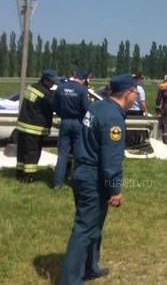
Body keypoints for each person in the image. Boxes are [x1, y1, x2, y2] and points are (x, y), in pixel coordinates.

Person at [59, 73, 139, 284]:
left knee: (94, 225)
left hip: (82, 171)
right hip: (94, 178)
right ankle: (70, 280)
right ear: (128, 93)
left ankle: (90, 267)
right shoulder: (113, 118)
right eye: (136, 92)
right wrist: (114, 190)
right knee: (85, 228)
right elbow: (110, 160)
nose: (137, 97)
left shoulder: (97, 108)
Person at [15, 69, 58, 183]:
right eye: (52, 82)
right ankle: (29, 176)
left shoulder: (32, 87)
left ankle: (20, 172)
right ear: (46, 80)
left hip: (23, 124)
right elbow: (54, 106)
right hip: (34, 127)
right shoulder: (45, 94)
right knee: (32, 152)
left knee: (22, 151)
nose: (53, 84)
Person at [52, 70, 90, 189]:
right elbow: (86, 108)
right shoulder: (82, 89)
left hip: (65, 121)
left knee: (62, 153)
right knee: (78, 154)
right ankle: (76, 182)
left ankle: (58, 183)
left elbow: (55, 106)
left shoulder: (61, 87)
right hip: (78, 122)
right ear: (83, 79)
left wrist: (62, 115)